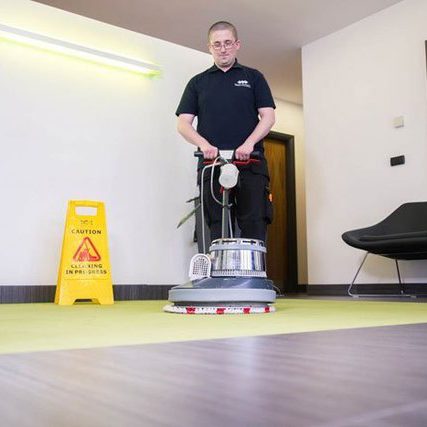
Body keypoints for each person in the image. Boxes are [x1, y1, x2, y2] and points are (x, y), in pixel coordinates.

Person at [176, 21, 276, 243]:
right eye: (217, 44)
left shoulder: (253, 78)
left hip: (250, 163)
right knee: (217, 224)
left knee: (254, 221)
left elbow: (268, 117)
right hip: (212, 165)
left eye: (228, 43)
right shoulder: (198, 83)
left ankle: (253, 276)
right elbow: (183, 123)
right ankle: (221, 275)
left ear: (237, 44)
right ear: (209, 47)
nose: (223, 49)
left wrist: (249, 144)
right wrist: (204, 145)